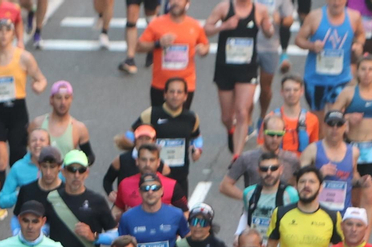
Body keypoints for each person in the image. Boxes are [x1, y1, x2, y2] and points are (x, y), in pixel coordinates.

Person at [0, 18, 47, 180]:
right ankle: (2, 191)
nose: (4, 34)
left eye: (7, 31)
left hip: (17, 112)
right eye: (0, 31)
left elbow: (41, 79)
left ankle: (18, 187)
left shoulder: (24, 57)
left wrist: (38, 87)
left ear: (13, 34)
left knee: (17, 158)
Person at [207, 0, 272, 155]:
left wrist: (268, 28)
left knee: (242, 112)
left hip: (247, 68)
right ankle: (231, 130)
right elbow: (206, 29)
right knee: (227, 117)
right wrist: (224, 26)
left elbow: (269, 33)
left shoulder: (260, 10)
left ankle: (237, 156)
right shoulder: (224, 7)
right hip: (225, 68)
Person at [122, 78, 205, 194]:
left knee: (181, 206)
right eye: (171, 92)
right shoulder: (151, 114)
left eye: (179, 92)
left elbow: (196, 137)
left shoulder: (191, 117)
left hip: (180, 177)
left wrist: (197, 150)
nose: (175, 96)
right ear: (165, 94)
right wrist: (137, 149)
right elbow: (130, 134)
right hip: (154, 177)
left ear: (185, 96)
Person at [135, 0, 211, 110]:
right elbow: (138, 47)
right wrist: (158, 43)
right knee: (159, 119)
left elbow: (205, 45)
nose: (176, 2)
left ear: (187, 3)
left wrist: (203, 50)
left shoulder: (194, 26)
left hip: (185, 86)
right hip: (160, 85)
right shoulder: (156, 24)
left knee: (181, 119)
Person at [296, 0, 366, 116]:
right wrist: (312, 46)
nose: (336, 3)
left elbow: (361, 34)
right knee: (318, 121)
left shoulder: (354, 17)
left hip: (342, 79)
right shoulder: (314, 17)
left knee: (337, 119)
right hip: (316, 79)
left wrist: (358, 44)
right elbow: (299, 39)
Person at [300, 108, 358, 215]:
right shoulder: (312, 150)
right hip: (317, 213)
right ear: (324, 126)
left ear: (345, 127)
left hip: (343, 213)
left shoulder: (354, 152)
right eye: (331, 124)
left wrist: (362, 181)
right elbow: (300, 180)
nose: (335, 128)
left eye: (339, 124)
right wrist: (319, 174)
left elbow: (353, 177)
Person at [232, 150, 298, 238]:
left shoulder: (291, 194)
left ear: (280, 170)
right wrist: (238, 234)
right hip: (256, 244)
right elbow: (246, 214)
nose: (269, 173)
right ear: (258, 171)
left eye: (273, 168)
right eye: (264, 169)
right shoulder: (249, 193)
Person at [220, 120, 287, 200]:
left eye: (279, 135)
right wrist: (249, 199)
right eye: (271, 134)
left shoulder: (292, 159)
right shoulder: (247, 158)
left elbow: (296, 186)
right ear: (263, 132)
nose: (275, 139)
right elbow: (225, 186)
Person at [261, 74, 320, 155]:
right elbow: (261, 146)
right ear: (282, 92)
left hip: (302, 161)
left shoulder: (312, 119)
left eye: (295, 90)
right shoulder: (270, 118)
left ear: (301, 91)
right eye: (287, 90)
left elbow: (314, 148)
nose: (292, 93)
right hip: (276, 160)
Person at [42, 81, 95, 164]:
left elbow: (90, 156)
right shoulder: (37, 124)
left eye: (67, 98)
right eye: (59, 98)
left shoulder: (79, 128)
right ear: (51, 100)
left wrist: (75, 167)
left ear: (71, 99)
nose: (63, 102)